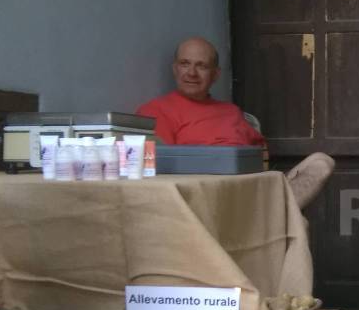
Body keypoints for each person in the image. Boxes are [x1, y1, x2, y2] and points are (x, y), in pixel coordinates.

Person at [137, 37, 334, 209]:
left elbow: (261, 154)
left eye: (202, 66)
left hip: (255, 191)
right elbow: (162, 172)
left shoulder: (231, 111)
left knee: (322, 162)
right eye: (185, 63)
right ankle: (279, 217)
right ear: (175, 69)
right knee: (299, 224)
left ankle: (276, 213)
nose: (192, 73)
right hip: (209, 197)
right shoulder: (155, 111)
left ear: (215, 75)